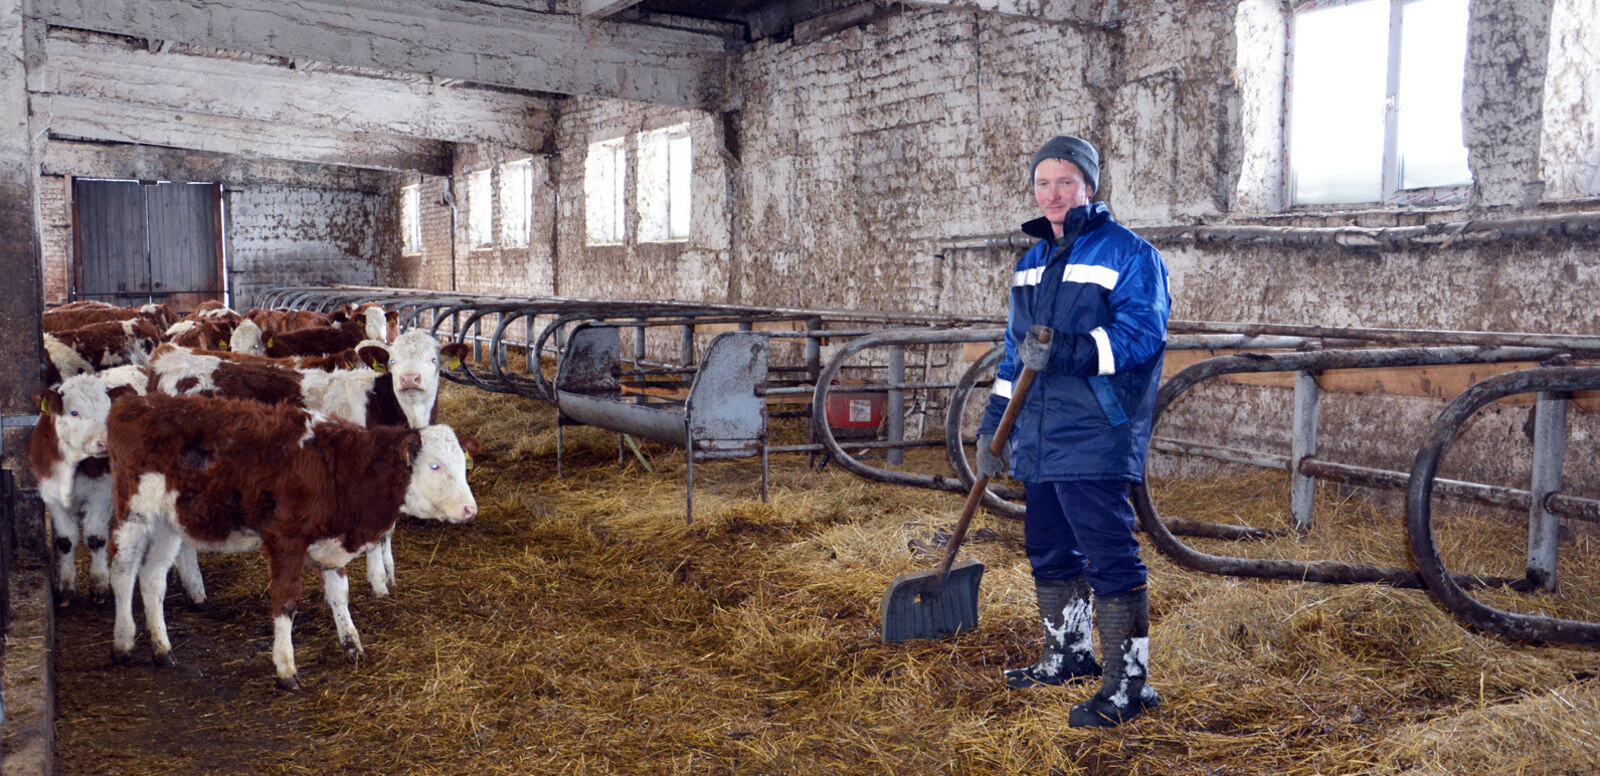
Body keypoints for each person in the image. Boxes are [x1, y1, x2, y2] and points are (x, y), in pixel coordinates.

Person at [974, 135, 1170, 728]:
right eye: (1043, 183)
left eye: (1065, 182)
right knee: (1049, 548)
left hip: (1094, 426)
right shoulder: (1031, 262)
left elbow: (1141, 337)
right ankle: (1068, 655)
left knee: (1110, 556)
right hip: (1037, 429)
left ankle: (1128, 685)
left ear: (1090, 186)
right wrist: (992, 429)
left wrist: (1069, 349)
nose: (1053, 194)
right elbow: (1015, 354)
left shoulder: (1130, 254)